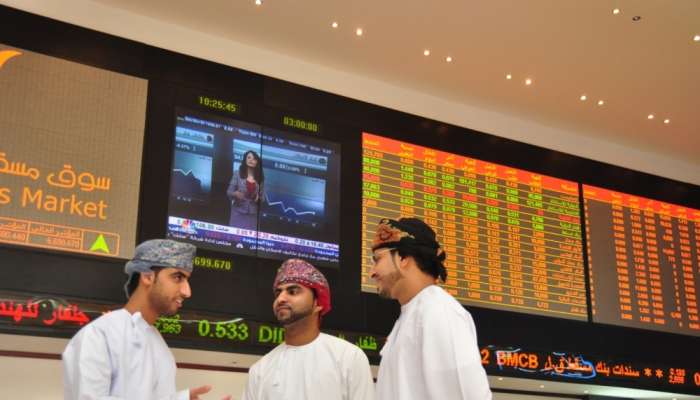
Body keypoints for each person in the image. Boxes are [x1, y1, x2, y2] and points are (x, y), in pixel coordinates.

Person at [62, 239, 230, 400]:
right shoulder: (98, 335)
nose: (187, 291)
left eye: (187, 280)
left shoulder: (159, 345)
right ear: (147, 276)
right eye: (178, 277)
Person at [370, 218, 492, 400]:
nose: (372, 272)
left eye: (377, 259)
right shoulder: (414, 314)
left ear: (403, 258)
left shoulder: (438, 310)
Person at [242, 258, 375, 400]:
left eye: (293, 291)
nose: (280, 299)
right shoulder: (260, 370)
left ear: (318, 303)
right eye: (278, 293)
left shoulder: (348, 357)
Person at [227, 149, 264, 230]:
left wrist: (258, 198)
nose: (251, 160)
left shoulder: (260, 178)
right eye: (249, 157)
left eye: (254, 159)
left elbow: (262, 199)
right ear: (245, 160)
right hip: (237, 213)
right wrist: (235, 194)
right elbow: (229, 192)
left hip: (252, 216)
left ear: (257, 162)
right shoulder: (237, 173)